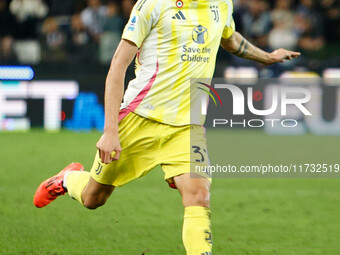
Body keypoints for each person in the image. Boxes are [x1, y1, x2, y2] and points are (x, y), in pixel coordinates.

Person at [33, 0, 299, 254]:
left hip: (187, 126)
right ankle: (67, 179)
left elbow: (229, 37)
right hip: (140, 118)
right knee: (94, 198)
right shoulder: (153, 4)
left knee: (198, 195)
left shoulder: (221, 3)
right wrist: (110, 132)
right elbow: (117, 66)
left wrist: (266, 57)